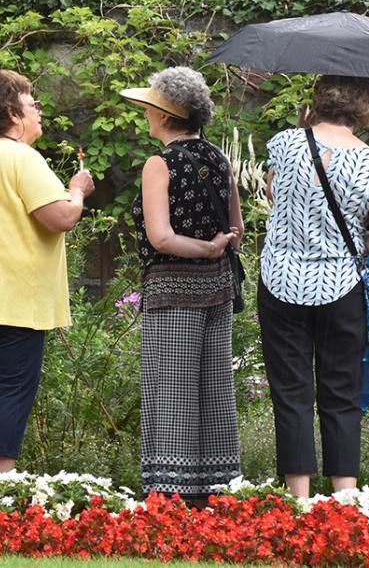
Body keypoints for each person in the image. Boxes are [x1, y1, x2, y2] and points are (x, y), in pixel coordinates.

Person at [0, 70, 95, 493]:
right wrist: (77, 189)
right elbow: (60, 217)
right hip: (15, 299)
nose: (38, 111)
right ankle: (1, 489)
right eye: (32, 104)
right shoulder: (24, 158)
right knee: (9, 392)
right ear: (12, 114)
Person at [259, 75, 369, 499]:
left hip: (280, 283)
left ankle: (299, 498)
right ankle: (344, 499)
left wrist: (302, 129)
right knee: (340, 393)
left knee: (291, 391)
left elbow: (272, 191)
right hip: (340, 288)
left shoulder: (284, 144)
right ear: (365, 107)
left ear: (318, 99)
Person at [121, 67, 243, 502]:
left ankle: (172, 498)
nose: (145, 115)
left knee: (170, 392)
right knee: (214, 391)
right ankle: (219, 492)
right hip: (219, 290)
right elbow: (237, 228)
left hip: (172, 290)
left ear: (164, 115)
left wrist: (204, 249)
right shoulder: (218, 158)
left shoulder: (159, 163)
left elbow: (161, 237)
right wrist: (216, 248)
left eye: (149, 108)